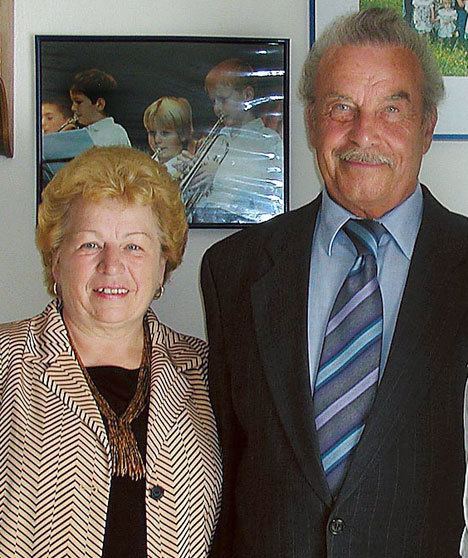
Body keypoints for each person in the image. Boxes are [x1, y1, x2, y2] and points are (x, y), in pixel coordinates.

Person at [201, 8, 468, 558]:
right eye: (340, 107)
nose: (363, 133)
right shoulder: (235, 268)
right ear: (311, 120)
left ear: (427, 126)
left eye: (392, 108)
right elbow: (225, 458)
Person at [0, 146, 221, 558]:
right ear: (55, 261)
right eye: (89, 245)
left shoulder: (206, 371)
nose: (112, 265)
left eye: (135, 247)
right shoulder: (7, 360)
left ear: (162, 267)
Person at [191, 58, 284, 224]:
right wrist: (191, 173)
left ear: (247, 95)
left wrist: (217, 174)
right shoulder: (214, 141)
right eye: (214, 102)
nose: (217, 108)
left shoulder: (268, 141)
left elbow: (266, 187)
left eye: (223, 100)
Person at [143, 96, 195, 176]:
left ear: (183, 134)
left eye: (165, 133)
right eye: (152, 133)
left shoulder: (187, 169)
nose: (157, 140)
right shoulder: (145, 166)